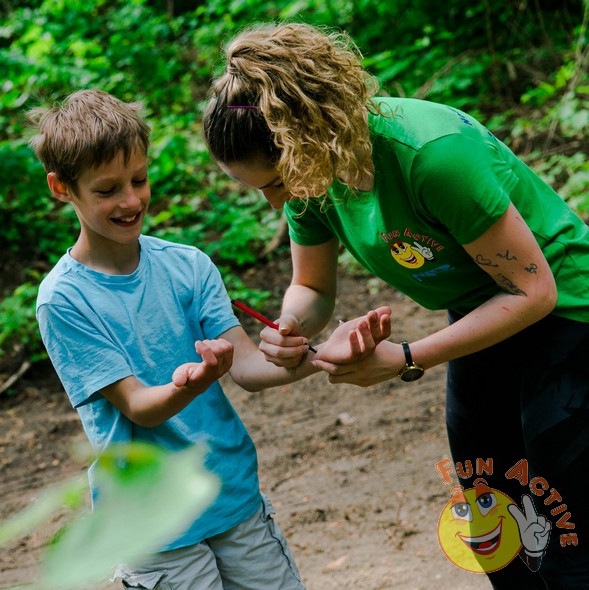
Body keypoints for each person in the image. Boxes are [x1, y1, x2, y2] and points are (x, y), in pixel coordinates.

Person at [202, 21, 589, 590]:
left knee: (563, 525)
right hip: (480, 312)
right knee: (493, 518)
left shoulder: (431, 155)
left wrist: (407, 357)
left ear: (308, 138)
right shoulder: (310, 174)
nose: (273, 199)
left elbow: (534, 291)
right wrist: (291, 326)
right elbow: (312, 287)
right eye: (258, 187)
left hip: (568, 313)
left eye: (276, 181)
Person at [31, 89, 392, 589]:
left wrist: (321, 354)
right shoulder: (64, 300)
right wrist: (194, 382)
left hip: (230, 493)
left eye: (139, 180)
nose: (131, 200)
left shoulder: (188, 266)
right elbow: (139, 407)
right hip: (151, 526)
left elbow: (247, 367)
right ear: (61, 188)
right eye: (107, 189)